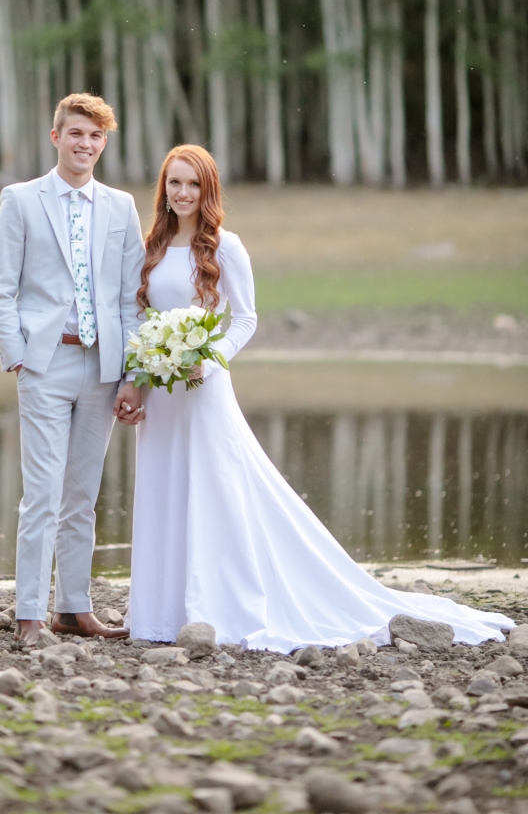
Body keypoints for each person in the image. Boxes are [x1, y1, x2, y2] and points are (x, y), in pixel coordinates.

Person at [122, 144, 514, 651]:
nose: (182, 193)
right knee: (164, 490)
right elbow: (140, 321)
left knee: (216, 491)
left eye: (192, 184)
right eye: (174, 183)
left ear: (208, 190)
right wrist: (137, 375)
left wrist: (208, 357)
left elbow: (246, 318)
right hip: (160, 397)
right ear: (163, 188)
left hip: (202, 390)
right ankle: (160, 612)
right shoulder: (149, 247)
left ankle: (218, 605)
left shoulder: (225, 247)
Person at [0, 93, 145, 646]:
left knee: (82, 492)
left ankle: (73, 608)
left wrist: (131, 374)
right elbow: (0, 288)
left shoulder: (122, 207)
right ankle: (29, 612)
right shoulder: (22, 200)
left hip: (102, 368)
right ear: (56, 137)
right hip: (46, 364)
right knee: (43, 493)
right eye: (75, 133)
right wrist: (19, 357)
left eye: (95, 136)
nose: (85, 144)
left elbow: (129, 299)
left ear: (105, 143)